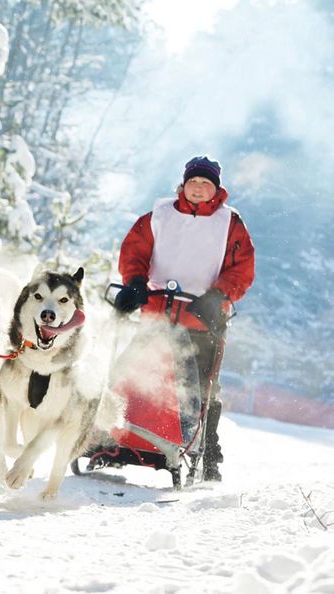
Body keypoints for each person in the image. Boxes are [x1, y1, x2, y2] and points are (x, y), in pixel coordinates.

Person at [114, 155, 255, 482]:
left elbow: (242, 269)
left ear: (216, 189)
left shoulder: (230, 223)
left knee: (201, 389)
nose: (198, 188)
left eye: (206, 184)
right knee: (132, 372)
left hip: (202, 319)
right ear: (184, 184)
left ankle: (206, 453)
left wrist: (219, 294)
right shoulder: (159, 216)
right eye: (194, 182)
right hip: (157, 313)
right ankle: (124, 437)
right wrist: (135, 282)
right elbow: (135, 252)